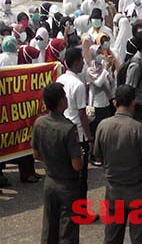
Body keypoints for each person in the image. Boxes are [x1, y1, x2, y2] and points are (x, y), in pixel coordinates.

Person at [94, 84, 142, 244]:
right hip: (136, 190)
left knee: (112, 237)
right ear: (133, 103)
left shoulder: (102, 126)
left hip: (113, 191)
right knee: (138, 239)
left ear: (115, 103)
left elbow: (98, 157)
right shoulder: (138, 129)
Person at [32, 83, 83, 244]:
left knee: (49, 229)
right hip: (68, 186)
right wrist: (80, 156)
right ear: (61, 102)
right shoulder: (68, 129)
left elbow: (36, 154)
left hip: (50, 182)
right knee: (68, 231)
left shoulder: (39, 123)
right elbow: (77, 165)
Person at [57, 48, 93, 200]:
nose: (83, 64)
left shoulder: (60, 80)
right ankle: (81, 209)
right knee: (81, 175)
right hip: (78, 134)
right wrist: (90, 137)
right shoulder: (78, 85)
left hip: (63, 129)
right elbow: (82, 114)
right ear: (77, 62)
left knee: (66, 171)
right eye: (82, 61)